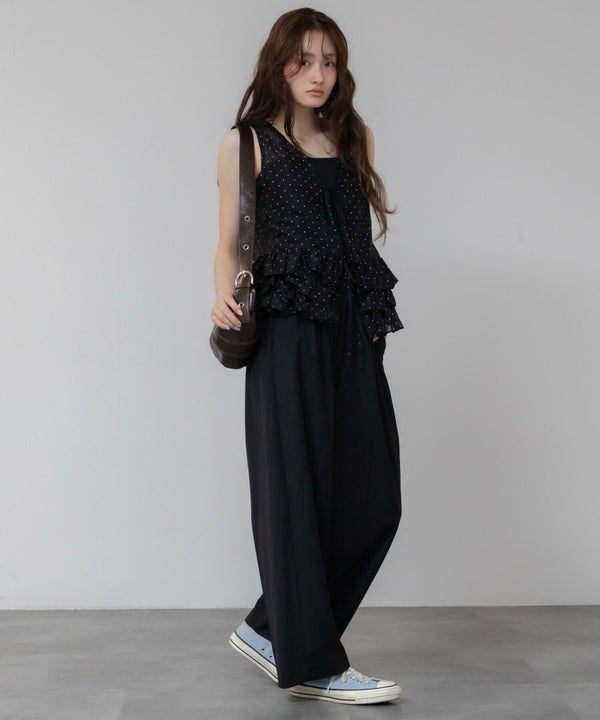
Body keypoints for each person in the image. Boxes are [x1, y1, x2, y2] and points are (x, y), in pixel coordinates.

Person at [211, 8, 404, 706]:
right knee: (295, 496)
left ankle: (272, 630)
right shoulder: (245, 144)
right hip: (287, 330)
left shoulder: (355, 137)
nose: (317, 74)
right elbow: (229, 242)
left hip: (355, 330)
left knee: (374, 501)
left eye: (329, 62)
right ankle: (315, 661)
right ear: (278, 64)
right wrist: (220, 295)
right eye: (303, 60)